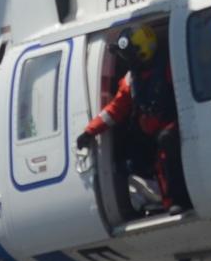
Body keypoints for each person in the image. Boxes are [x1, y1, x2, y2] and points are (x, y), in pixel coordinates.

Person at [76, 24, 186, 214]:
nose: (127, 60)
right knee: (133, 156)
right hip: (151, 132)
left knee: (165, 143)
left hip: (175, 124)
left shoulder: (169, 67)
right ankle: (154, 200)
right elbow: (115, 109)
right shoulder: (131, 80)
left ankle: (178, 199)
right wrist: (89, 131)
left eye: (130, 55)